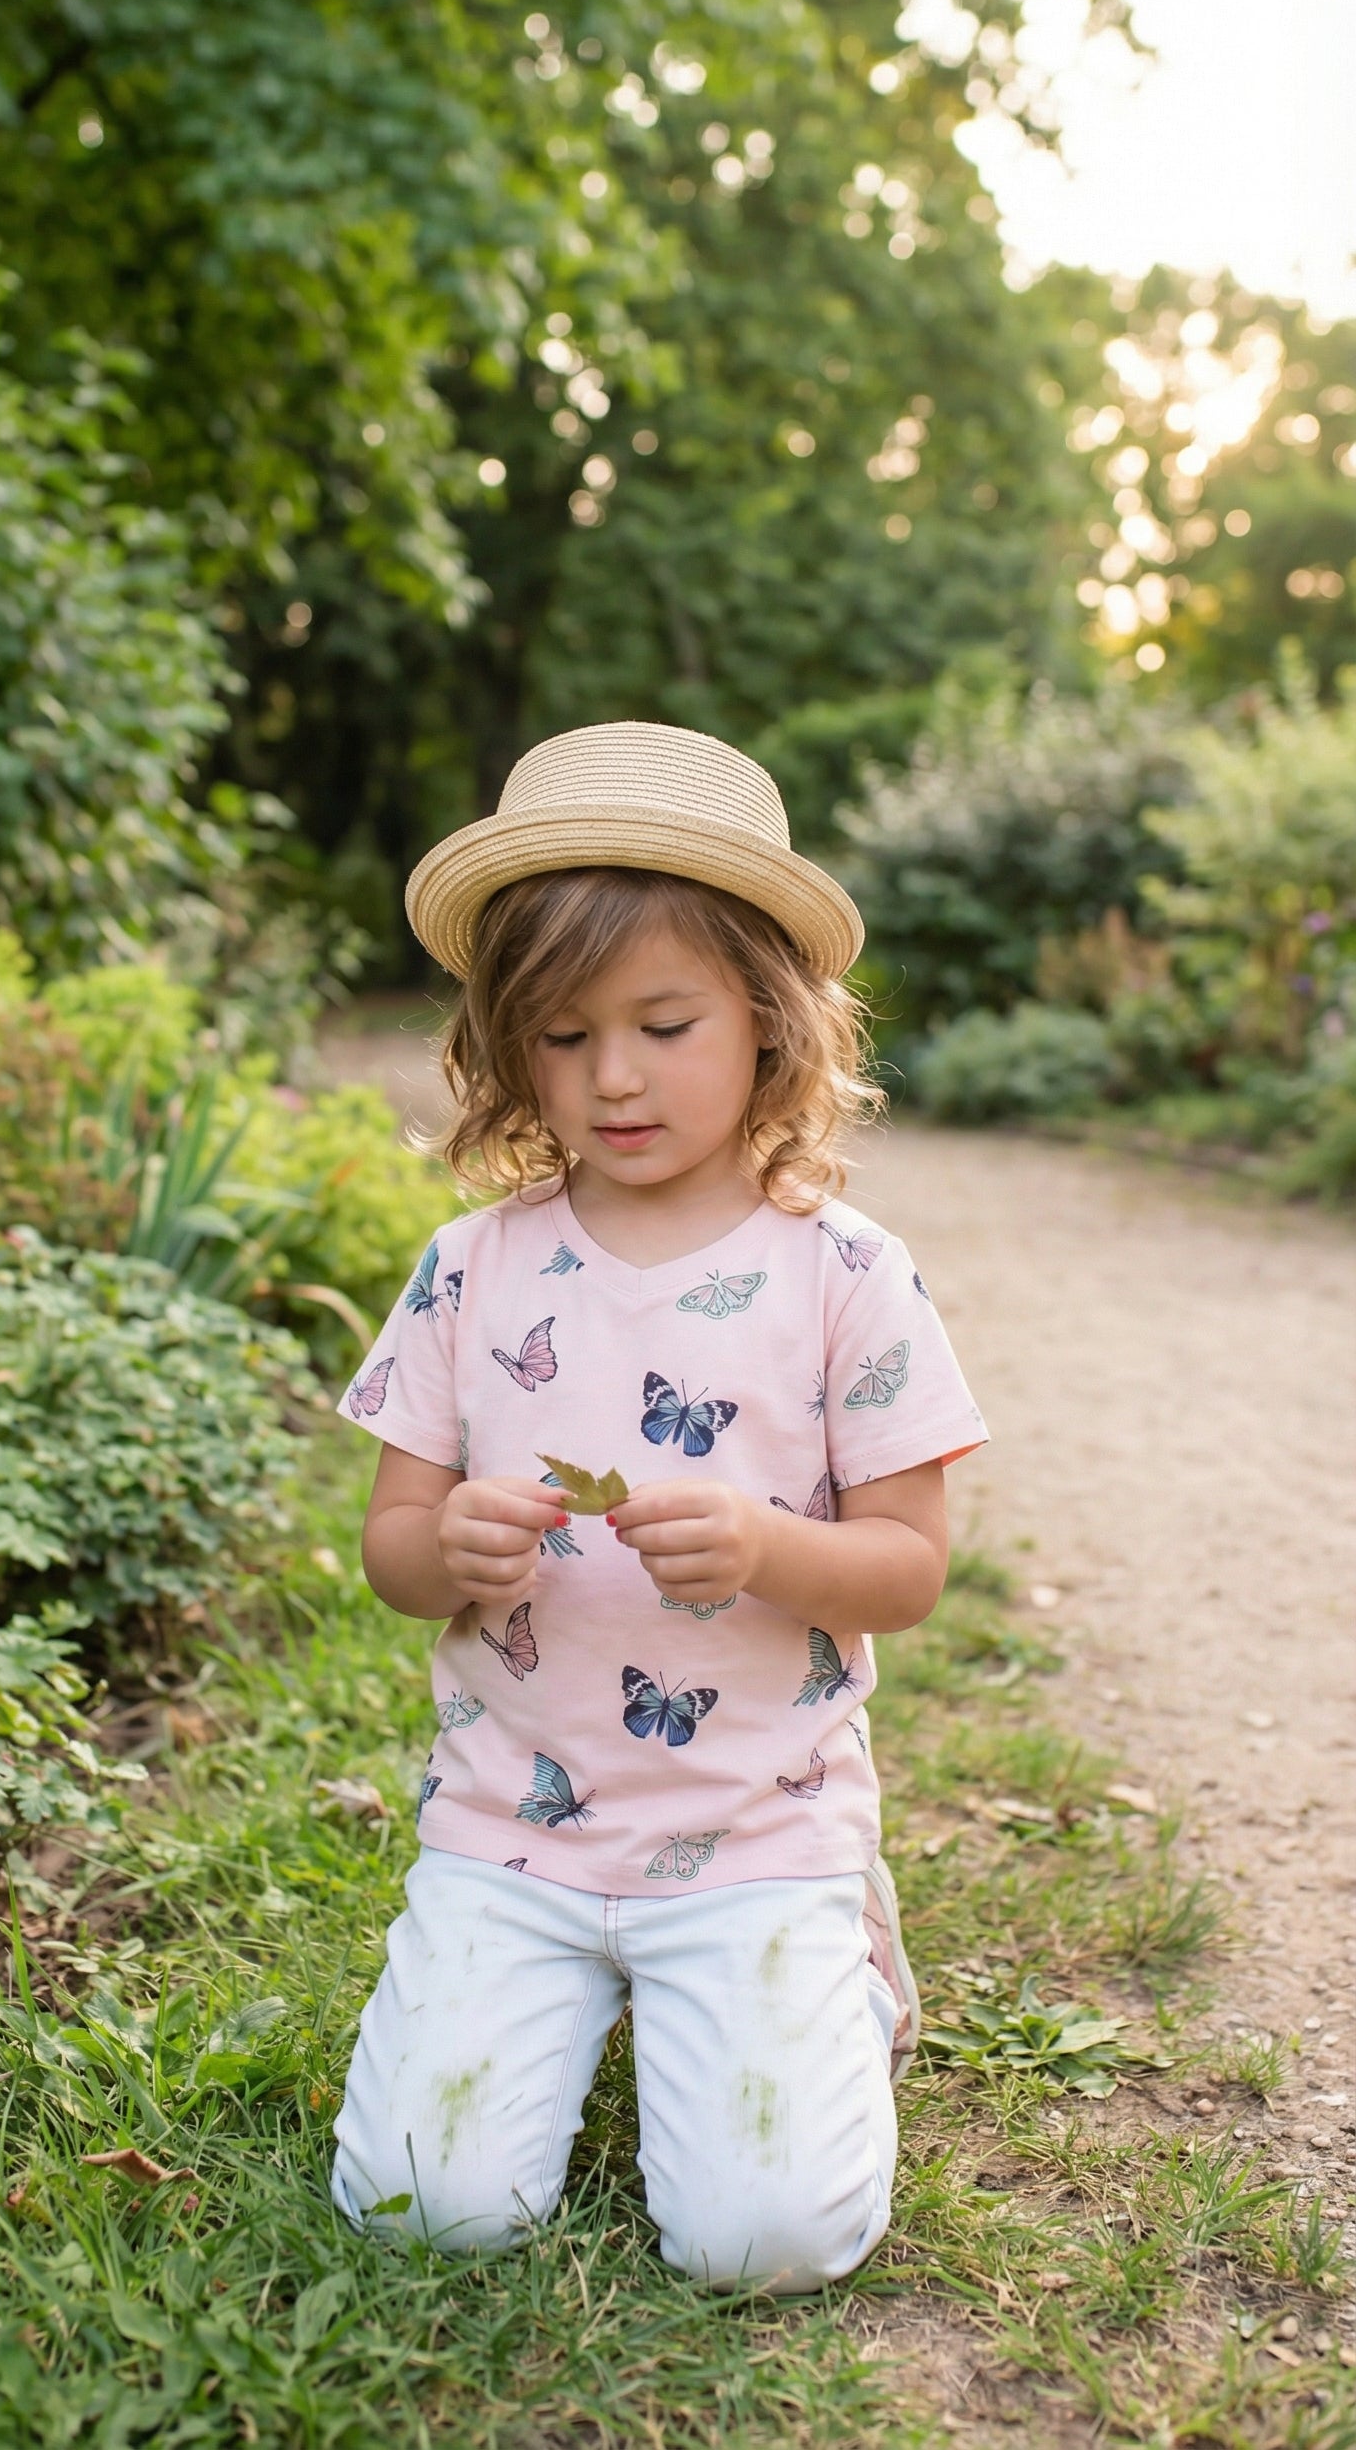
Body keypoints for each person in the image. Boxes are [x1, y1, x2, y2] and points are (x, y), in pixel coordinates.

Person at [332, 720, 987, 2289]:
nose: (611, 1076)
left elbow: (908, 1569)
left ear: (769, 1019)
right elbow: (391, 1551)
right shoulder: (471, 1268)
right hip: (514, 1837)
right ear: (509, 1047)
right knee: (426, 2208)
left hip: (758, 1832)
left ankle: (834, 1972)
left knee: (765, 2242)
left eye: (665, 1023)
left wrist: (767, 1548)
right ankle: (546, 1999)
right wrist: (447, 1548)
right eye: (560, 1036)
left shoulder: (844, 1274)